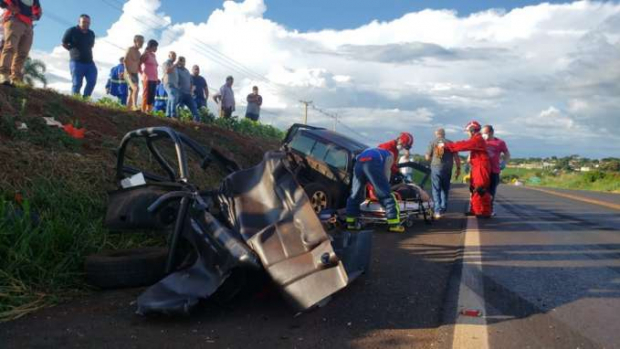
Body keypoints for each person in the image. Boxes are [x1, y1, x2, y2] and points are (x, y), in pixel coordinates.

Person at [346, 146, 404, 233]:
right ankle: (394, 224)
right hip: (371, 163)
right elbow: (386, 176)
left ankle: (351, 223)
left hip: (358, 163)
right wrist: (383, 187)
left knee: (355, 194)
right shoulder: (389, 156)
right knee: (386, 194)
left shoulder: (374, 150)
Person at [440, 121, 492, 218]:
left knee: (480, 189)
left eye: (468, 131)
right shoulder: (477, 139)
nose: (467, 133)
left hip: (481, 166)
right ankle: (477, 210)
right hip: (477, 166)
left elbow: (463, 145)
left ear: (472, 130)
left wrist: (446, 146)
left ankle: (481, 211)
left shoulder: (477, 140)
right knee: (474, 189)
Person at [0, 0, 42, 87]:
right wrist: (9, 7)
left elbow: (38, 10)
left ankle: (15, 78)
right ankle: (3, 74)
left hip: (28, 25)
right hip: (14, 19)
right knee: (10, 47)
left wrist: (36, 16)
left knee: (23, 53)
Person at [425, 128, 461, 219]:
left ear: (436, 134)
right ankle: (443, 208)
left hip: (436, 167)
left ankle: (437, 211)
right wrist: (458, 168)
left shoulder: (433, 142)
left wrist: (433, 159)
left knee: (436, 189)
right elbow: (456, 157)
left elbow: (427, 157)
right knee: (445, 189)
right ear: (444, 134)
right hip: (448, 168)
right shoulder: (451, 142)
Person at [62, 14, 97, 98]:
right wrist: (72, 50)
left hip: (89, 63)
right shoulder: (71, 31)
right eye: (84, 22)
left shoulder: (91, 33)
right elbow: (64, 43)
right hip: (76, 62)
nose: (86, 24)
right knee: (77, 83)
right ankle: (75, 101)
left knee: (92, 81)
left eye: (88, 22)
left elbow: (91, 45)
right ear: (79, 22)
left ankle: (85, 99)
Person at [481, 125, 510, 215]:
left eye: (485, 133)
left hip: (494, 170)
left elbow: (507, 154)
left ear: (491, 132)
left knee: (491, 191)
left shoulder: (500, 142)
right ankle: (480, 208)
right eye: (482, 133)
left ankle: (490, 209)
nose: (483, 135)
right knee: (481, 190)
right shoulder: (481, 141)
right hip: (483, 170)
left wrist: (504, 163)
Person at [175, 56, 199, 121]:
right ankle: (177, 122)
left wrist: (191, 91)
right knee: (178, 108)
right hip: (179, 93)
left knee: (194, 108)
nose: (183, 62)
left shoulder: (187, 71)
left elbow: (191, 81)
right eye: (181, 61)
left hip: (188, 94)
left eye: (183, 61)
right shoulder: (176, 69)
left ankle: (196, 124)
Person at [124, 35, 144, 110]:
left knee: (132, 92)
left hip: (135, 74)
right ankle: (134, 106)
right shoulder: (130, 49)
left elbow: (138, 65)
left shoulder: (139, 53)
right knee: (136, 88)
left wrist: (141, 73)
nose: (142, 43)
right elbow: (125, 61)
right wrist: (128, 72)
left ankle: (128, 109)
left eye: (143, 42)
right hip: (128, 73)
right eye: (140, 41)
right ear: (135, 41)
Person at [140, 39, 158, 113]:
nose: (156, 48)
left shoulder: (153, 55)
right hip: (147, 78)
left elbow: (154, 67)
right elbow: (139, 64)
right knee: (146, 95)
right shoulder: (146, 54)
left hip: (154, 78)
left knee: (152, 95)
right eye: (155, 47)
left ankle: (149, 111)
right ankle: (143, 111)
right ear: (151, 46)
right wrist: (142, 73)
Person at [161, 51, 179, 118]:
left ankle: (168, 115)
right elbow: (167, 71)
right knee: (173, 98)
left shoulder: (175, 66)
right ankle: (173, 115)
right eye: (173, 55)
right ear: (169, 56)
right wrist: (175, 65)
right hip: (168, 84)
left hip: (174, 85)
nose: (174, 57)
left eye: (175, 56)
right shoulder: (166, 63)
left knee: (170, 99)